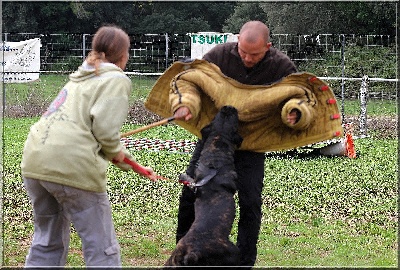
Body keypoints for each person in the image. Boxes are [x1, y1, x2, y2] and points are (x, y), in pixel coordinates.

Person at [21, 25, 157, 267]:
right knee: (102, 247)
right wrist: (124, 159)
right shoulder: (115, 78)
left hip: (35, 160)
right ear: (124, 55)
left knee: (46, 242)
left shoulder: (81, 76)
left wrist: (129, 162)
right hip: (72, 165)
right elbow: (105, 133)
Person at [173, 21, 298, 267]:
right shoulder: (218, 56)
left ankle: (245, 262)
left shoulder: (282, 66)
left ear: (268, 47)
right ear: (237, 40)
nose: (248, 59)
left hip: (251, 144)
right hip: (214, 142)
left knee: (250, 202)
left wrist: (294, 112)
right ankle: (183, 252)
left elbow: (298, 96)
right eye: (243, 52)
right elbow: (193, 82)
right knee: (190, 193)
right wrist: (185, 103)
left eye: (255, 54)